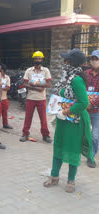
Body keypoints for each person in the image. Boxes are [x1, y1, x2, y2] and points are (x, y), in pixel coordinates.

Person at [44, 49, 94, 193]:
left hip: (75, 120)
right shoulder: (66, 77)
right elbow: (60, 96)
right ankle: (54, 176)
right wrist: (58, 111)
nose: (64, 63)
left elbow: (84, 103)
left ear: (72, 63)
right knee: (58, 147)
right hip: (63, 118)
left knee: (72, 150)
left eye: (66, 60)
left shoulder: (77, 80)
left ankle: (71, 181)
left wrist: (65, 111)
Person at [20, 51, 52, 143]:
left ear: (42, 59)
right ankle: (25, 134)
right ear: (33, 59)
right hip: (31, 98)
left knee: (43, 118)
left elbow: (49, 84)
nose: (38, 60)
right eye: (36, 58)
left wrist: (34, 84)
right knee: (28, 117)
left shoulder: (46, 70)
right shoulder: (29, 71)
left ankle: (45, 135)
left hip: (41, 98)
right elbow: (24, 84)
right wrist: (37, 87)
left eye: (39, 58)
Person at [85, 50, 99, 168]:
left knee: (95, 136)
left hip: (96, 111)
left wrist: (91, 103)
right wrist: (85, 103)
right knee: (82, 132)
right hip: (84, 109)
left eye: (96, 59)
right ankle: (79, 152)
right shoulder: (85, 74)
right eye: (92, 59)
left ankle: (91, 156)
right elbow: (80, 89)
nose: (94, 61)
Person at [0, 64, 13, 129]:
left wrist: (0, 88)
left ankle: (5, 124)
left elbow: (8, 87)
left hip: (4, 98)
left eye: (0, 70)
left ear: (3, 70)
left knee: (5, 112)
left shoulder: (7, 78)